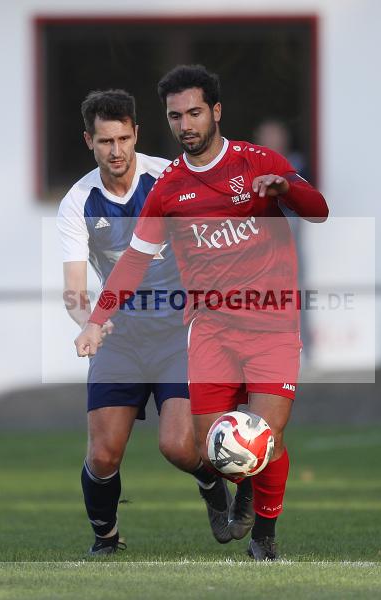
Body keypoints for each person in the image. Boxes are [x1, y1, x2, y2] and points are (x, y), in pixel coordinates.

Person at [74, 65, 329, 561]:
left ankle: (264, 539)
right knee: (211, 445)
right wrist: (97, 319)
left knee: (264, 436)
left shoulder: (258, 163)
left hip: (272, 324)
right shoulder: (168, 189)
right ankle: (238, 488)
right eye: (175, 116)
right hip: (210, 331)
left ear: (215, 111)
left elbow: (318, 209)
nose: (185, 124)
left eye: (194, 112)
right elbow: (132, 262)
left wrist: (287, 190)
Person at [57, 90, 230, 555]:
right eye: (105, 141)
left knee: (177, 446)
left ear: (136, 134)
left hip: (177, 332)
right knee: (103, 454)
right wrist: (87, 322)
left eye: (123, 139)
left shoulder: (168, 179)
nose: (116, 151)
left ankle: (211, 483)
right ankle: (106, 539)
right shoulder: (78, 202)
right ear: (88, 141)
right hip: (119, 334)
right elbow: (75, 287)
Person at [253, 119, 314, 360]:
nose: (272, 141)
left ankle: (304, 349)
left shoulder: (296, 165)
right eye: (267, 135)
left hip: (288, 229)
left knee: (295, 290)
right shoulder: (248, 166)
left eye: (276, 135)